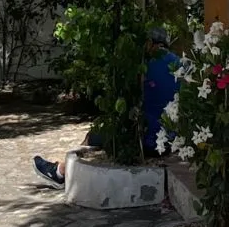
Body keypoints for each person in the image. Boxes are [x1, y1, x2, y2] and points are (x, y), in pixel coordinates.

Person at [33, 36, 180, 188]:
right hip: (172, 140)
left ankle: (60, 172)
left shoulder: (143, 65)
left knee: (93, 137)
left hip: (147, 139)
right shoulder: (180, 64)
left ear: (149, 43)